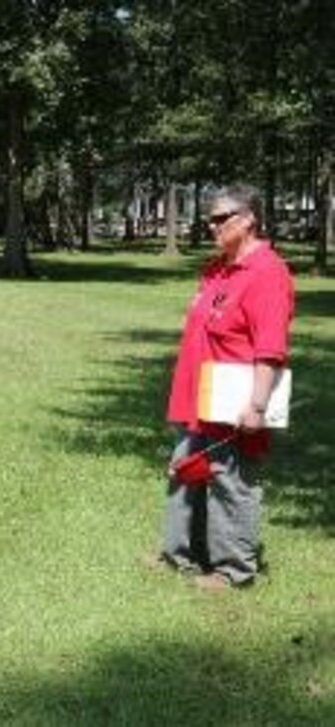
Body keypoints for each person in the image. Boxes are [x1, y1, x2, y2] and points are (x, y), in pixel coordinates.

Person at [161, 184, 294, 590]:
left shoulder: (268, 274)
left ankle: (233, 569)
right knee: (188, 472)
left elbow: (270, 348)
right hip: (198, 395)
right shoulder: (218, 268)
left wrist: (256, 404)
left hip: (234, 398)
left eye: (221, 218)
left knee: (231, 481)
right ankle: (180, 553)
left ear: (249, 219)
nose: (212, 225)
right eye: (210, 219)